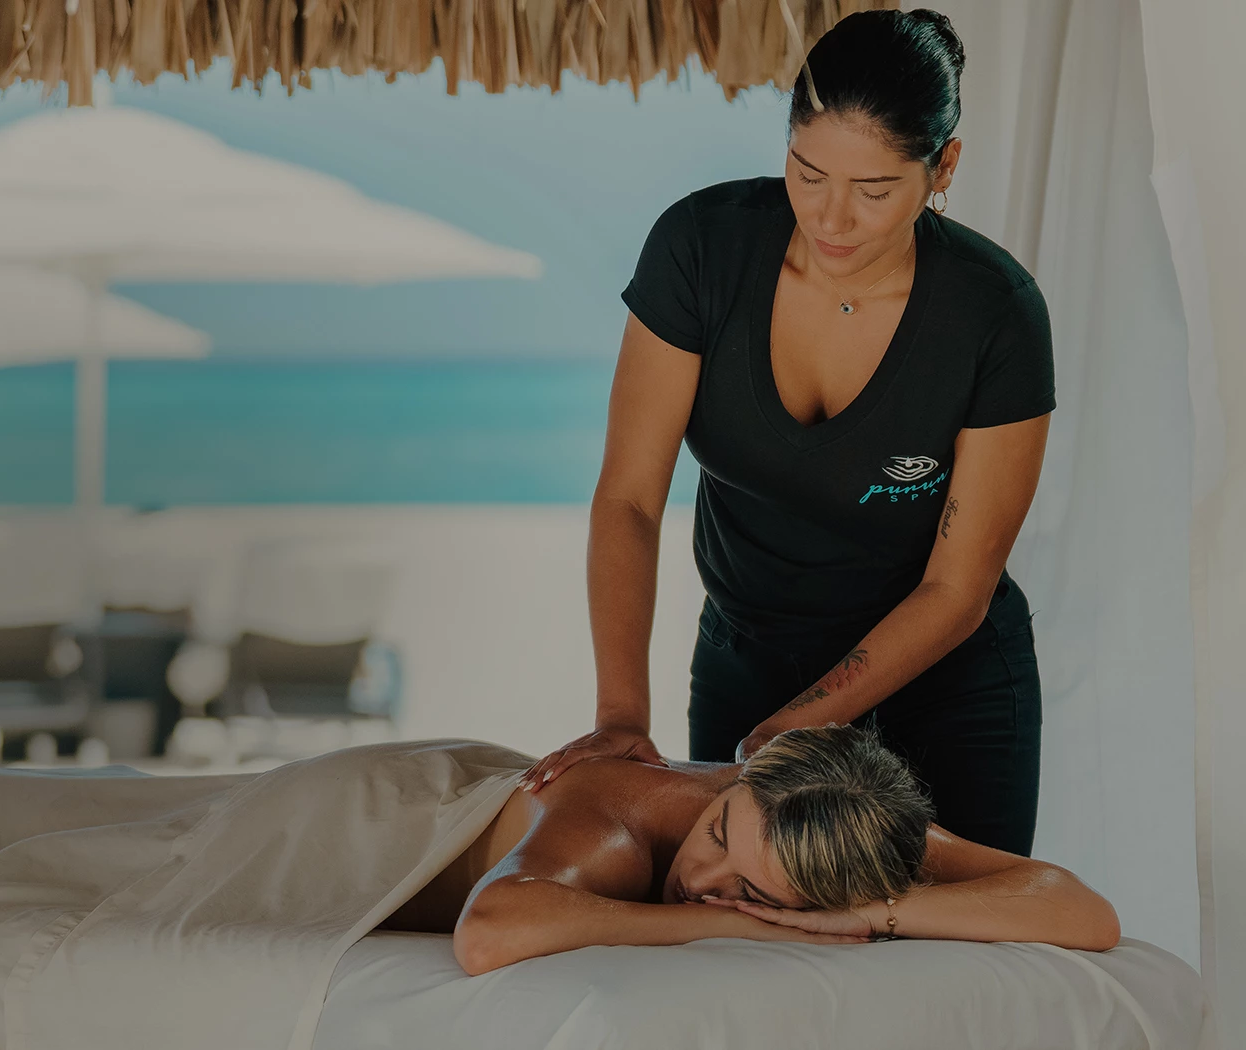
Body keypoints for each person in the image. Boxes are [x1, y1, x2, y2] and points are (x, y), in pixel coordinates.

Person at [528, 8, 1058, 855]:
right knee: (734, 954)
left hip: (943, 686)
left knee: (946, 962)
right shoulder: (701, 251)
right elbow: (629, 496)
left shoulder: (995, 317)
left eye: (874, 190)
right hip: (747, 660)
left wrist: (788, 731)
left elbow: (956, 590)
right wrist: (622, 715)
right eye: (807, 173)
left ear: (943, 165)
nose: (831, 218)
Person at [381, 725, 1118, 974]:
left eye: (755, 892)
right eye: (718, 833)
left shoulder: (846, 823)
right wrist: (737, 920)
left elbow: (1083, 911)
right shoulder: (617, 822)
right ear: (741, 778)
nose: (701, 877)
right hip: (368, 815)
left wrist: (875, 913)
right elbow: (489, 933)